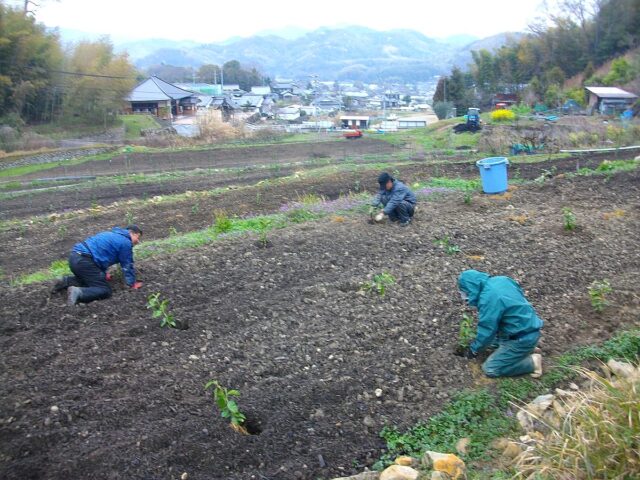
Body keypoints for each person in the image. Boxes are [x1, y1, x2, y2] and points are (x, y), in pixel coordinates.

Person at [455, 269, 543, 378]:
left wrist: (474, 350)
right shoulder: (502, 280)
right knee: (492, 342)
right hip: (529, 326)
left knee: (490, 369)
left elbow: (487, 330)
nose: (466, 297)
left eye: (465, 292)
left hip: (521, 337)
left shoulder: (488, 299)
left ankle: (532, 362)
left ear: (471, 288)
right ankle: (524, 349)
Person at [52, 225, 143, 305]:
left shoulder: (110, 234)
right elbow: (127, 265)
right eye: (138, 237)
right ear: (131, 233)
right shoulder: (125, 243)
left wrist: (102, 273)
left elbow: (100, 254)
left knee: (91, 280)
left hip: (74, 257)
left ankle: (65, 281)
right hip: (85, 261)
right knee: (104, 290)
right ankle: (78, 292)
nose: (138, 241)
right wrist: (131, 284)